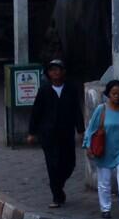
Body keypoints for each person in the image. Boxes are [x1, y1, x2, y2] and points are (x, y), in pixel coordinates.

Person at [27, 60, 85, 208]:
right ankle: (57, 196)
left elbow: (77, 110)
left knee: (69, 163)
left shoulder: (71, 89)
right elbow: (36, 112)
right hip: (48, 135)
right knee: (52, 165)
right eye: (52, 70)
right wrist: (32, 132)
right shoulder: (44, 90)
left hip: (66, 133)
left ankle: (59, 185)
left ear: (63, 72)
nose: (55, 73)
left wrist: (80, 130)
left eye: (58, 69)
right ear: (48, 73)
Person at [82, 80, 119, 218]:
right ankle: (105, 208)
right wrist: (88, 145)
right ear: (108, 94)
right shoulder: (101, 109)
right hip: (104, 150)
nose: (116, 96)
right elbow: (91, 129)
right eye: (114, 93)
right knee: (104, 181)